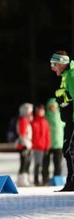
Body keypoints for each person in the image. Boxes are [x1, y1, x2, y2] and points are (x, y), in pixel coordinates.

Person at [50, 51, 74, 191]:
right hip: (70, 119)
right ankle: (71, 182)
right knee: (68, 150)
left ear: (61, 63)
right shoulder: (67, 75)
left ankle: (71, 182)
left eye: (54, 64)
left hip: (72, 120)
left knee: (68, 150)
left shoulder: (71, 76)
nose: (52, 68)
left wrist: (66, 104)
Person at [42, 98, 65, 186]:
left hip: (58, 143)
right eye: (51, 106)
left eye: (54, 106)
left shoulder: (61, 116)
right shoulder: (45, 117)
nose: (52, 108)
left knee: (57, 163)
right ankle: (45, 179)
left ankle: (57, 179)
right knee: (45, 163)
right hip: (47, 144)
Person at [31, 104, 50, 186]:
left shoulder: (45, 122)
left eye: (41, 110)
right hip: (35, 147)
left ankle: (45, 180)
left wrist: (48, 145)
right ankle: (36, 180)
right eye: (39, 110)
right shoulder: (33, 121)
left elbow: (47, 135)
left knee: (45, 165)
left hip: (44, 147)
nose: (40, 112)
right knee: (37, 164)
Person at [15, 103, 33, 187]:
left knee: (26, 163)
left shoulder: (25, 120)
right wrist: (25, 143)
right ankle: (22, 180)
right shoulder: (23, 120)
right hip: (24, 144)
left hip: (26, 144)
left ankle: (24, 179)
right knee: (24, 163)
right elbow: (22, 133)